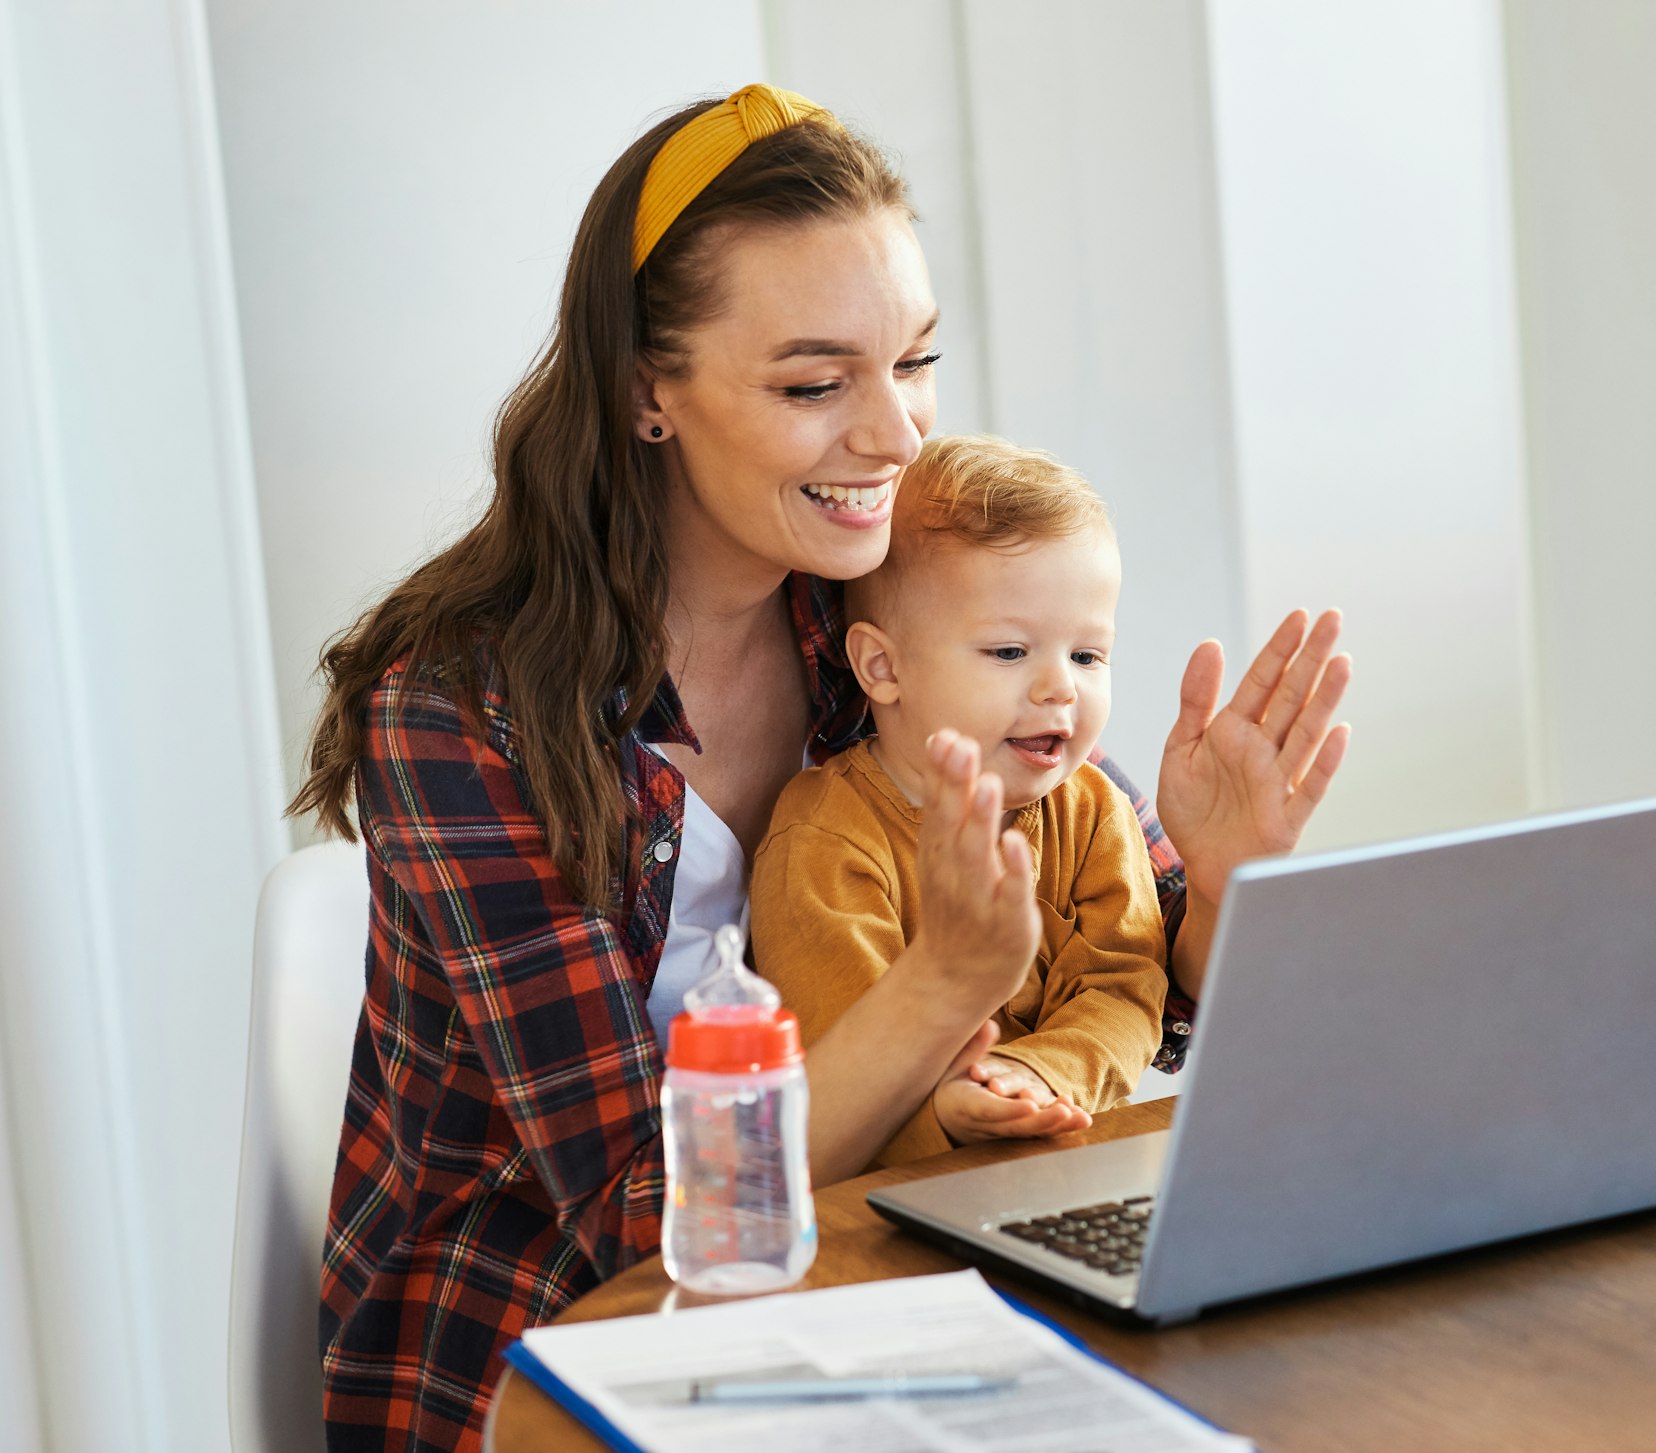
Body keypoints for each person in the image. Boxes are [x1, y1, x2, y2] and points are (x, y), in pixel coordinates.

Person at [290, 85, 1351, 1452]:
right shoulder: (458, 715)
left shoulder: (887, 614)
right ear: (647, 393)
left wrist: (1228, 878)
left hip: (902, 1285)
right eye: (814, 383)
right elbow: (648, 1213)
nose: (898, 436)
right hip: (548, 1356)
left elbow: (1145, 996)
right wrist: (940, 991)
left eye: (913, 361)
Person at [752, 434, 1179, 1169]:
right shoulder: (824, 838)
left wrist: (1039, 1074)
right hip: (889, 1203)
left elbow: (1126, 983)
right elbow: (840, 1050)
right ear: (882, 666)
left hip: (1067, 1164)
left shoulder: (1094, 807)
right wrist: (948, 1106)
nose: (1060, 689)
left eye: (1087, 655)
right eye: (1010, 652)